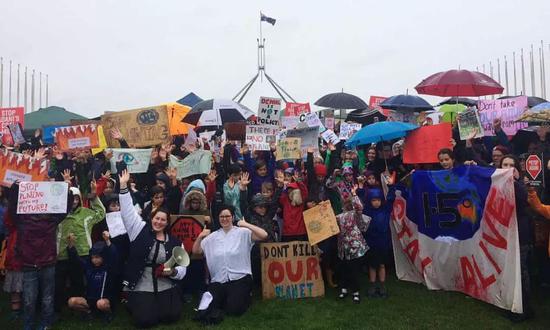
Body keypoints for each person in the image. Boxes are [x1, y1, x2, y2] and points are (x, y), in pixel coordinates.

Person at [118, 170, 188, 328]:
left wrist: (174, 272)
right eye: (157, 218)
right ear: (151, 218)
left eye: (163, 220)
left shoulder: (175, 242)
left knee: (171, 316)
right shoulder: (139, 229)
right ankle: (134, 302)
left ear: (167, 223)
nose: (159, 222)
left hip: (165, 282)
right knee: (145, 320)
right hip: (142, 282)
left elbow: (183, 268)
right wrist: (123, 186)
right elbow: (127, 212)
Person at [7, 182, 73, 330]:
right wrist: (14, 189)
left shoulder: (52, 221)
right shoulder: (22, 220)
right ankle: (28, 324)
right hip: (29, 264)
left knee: (47, 298)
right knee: (29, 299)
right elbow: (12, 208)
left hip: (47, 264)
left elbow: (64, 209)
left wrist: (67, 192)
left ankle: (46, 324)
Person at [192, 205, 268, 324]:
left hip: (240, 277)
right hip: (219, 279)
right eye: (221, 216)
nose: (224, 219)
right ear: (218, 218)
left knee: (235, 310)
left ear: (232, 217)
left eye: (227, 216)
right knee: (208, 307)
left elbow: (264, 235)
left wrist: (245, 224)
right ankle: (225, 298)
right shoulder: (212, 237)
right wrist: (200, 237)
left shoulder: (242, 233)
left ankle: (244, 296)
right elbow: (196, 251)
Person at [55, 180, 106, 311]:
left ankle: (79, 306)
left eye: (76, 199)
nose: (74, 202)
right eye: (71, 199)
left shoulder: (86, 213)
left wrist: (94, 196)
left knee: (78, 280)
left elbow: (101, 213)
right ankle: (58, 307)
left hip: (82, 253)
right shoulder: (58, 213)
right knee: (59, 283)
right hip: (61, 254)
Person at [499, 154, 534, 322]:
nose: (507, 168)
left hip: (521, 235)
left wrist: (515, 182)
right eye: (504, 165)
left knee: (521, 272)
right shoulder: (499, 185)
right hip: (507, 234)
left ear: (517, 170)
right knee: (512, 271)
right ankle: (513, 304)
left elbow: (522, 202)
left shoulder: (520, 187)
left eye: (511, 165)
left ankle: (525, 309)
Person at [67, 231, 118, 323]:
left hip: (103, 300)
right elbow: (76, 259)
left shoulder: (109, 266)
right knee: (72, 301)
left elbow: (113, 253)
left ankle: (108, 313)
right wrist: (71, 244)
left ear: (103, 256)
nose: (95, 260)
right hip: (90, 300)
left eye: (98, 257)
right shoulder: (88, 266)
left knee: (101, 303)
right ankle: (88, 312)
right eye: (93, 257)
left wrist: (107, 240)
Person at [336, 193, 371, 303]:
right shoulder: (339, 216)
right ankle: (344, 289)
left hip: (354, 247)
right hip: (343, 248)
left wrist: (354, 195)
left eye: (347, 202)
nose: (345, 204)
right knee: (344, 269)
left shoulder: (355, 214)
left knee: (354, 270)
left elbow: (359, 207)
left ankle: (355, 292)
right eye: (344, 202)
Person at [363, 188, 393, 298]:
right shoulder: (366, 211)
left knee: (381, 264)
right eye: (374, 200)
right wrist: (361, 188)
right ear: (370, 201)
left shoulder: (385, 210)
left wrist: (392, 186)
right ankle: (372, 285)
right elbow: (360, 201)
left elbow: (391, 199)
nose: (376, 202)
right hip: (371, 242)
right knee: (372, 265)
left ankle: (382, 285)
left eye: (379, 200)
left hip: (383, 242)